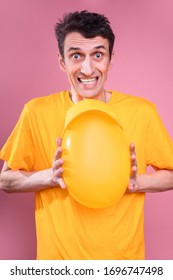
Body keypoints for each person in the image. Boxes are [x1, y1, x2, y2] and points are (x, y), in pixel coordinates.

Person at [0, 10, 173, 260]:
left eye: (98, 55)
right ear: (62, 61)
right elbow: (5, 181)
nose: (88, 68)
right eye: (76, 56)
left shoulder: (142, 112)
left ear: (111, 59)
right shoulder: (36, 112)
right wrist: (48, 176)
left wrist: (137, 182)